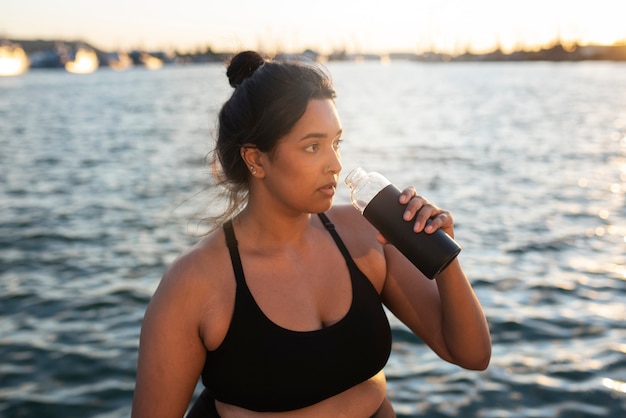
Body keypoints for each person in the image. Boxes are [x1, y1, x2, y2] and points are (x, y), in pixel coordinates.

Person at [131, 50, 491, 418]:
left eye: (336, 144)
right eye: (313, 147)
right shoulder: (195, 283)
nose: (335, 164)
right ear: (255, 159)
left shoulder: (368, 234)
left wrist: (441, 253)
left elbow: (471, 354)